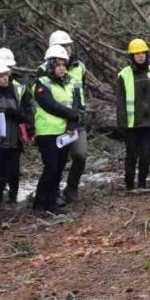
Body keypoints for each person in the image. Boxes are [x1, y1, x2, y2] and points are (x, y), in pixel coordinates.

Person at [29, 45, 82, 217]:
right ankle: (39, 204)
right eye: (58, 64)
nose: (61, 68)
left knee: (59, 169)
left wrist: (73, 121)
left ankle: (52, 203)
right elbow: (50, 105)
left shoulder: (68, 82)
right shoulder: (41, 83)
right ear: (50, 65)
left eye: (63, 64)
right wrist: (73, 115)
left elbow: (73, 102)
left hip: (64, 133)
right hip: (47, 133)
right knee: (50, 168)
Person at [115, 39, 150, 191]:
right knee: (132, 155)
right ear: (131, 56)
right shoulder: (123, 75)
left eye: (142, 52)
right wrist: (121, 123)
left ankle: (143, 183)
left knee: (145, 155)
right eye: (136, 53)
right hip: (131, 124)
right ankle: (130, 185)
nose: (140, 56)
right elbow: (120, 101)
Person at [50, 31, 90, 203]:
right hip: (57, 121)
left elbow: (82, 88)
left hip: (77, 120)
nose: (67, 50)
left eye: (68, 46)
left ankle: (72, 187)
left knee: (81, 154)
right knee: (57, 161)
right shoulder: (44, 70)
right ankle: (54, 192)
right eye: (62, 47)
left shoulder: (80, 67)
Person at [0, 53, 27, 206]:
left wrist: (21, 118)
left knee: (13, 171)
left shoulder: (14, 90)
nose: (6, 77)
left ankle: (12, 198)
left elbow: (24, 111)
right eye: (2, 75)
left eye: (7, 74)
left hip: (14, 140)